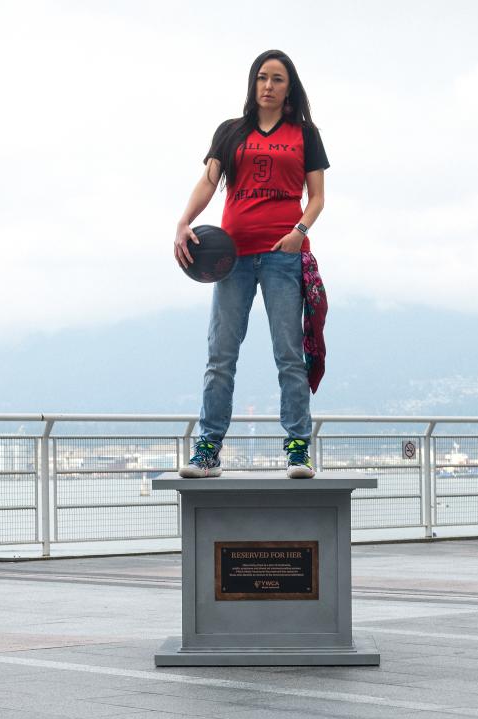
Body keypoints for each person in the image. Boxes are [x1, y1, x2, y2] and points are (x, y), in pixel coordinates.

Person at [173, 49, 329, 479]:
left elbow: (317, 197)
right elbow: (207, 184)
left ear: (289, 87)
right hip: (231, 257)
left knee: (288, 355)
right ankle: (207, 453)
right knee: (220, 356)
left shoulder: (305, 134)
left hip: (282, 255)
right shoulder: (230, 132)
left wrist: (298, 230)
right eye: (262, 77)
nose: (268, 85)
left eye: (278, 79)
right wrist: (184, 221)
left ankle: (298, 450)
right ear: (252, 83)